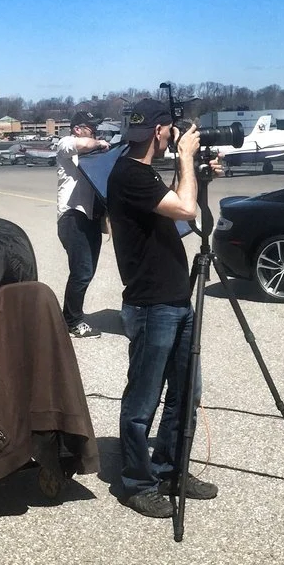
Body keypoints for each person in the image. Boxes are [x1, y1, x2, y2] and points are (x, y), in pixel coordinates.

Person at [103, 100, 219, 519]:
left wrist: (197, 175)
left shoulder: (141, 170)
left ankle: (171, 470)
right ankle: (137, 482)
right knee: (143, 400)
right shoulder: (129, 174)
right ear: (159, 132)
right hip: (152, 304)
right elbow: (185, 211)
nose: (174, 137)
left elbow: (180, 215)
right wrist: (186, 159)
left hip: (174, 298)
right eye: (171, 131)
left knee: (187, 391)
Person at [53, 112, 112, 337]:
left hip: (90, 219)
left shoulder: (93, 153)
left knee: (87, 271)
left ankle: (72, 315)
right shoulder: (66, 144)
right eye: (91, 128)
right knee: (81, 271)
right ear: (77, 129)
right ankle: (73, 321)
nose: (95, 132)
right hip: (72, 217)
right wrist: (99, 143)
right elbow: (84, 144)